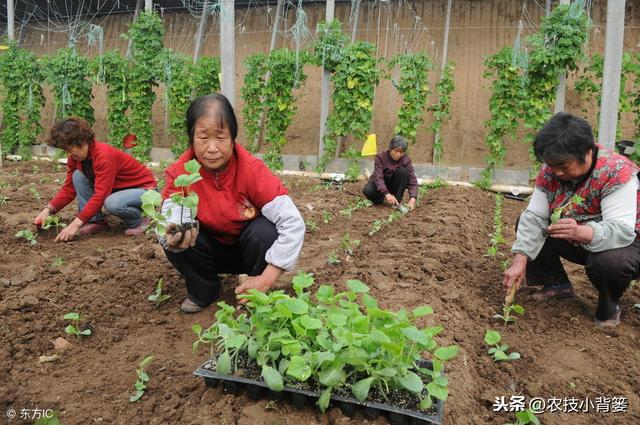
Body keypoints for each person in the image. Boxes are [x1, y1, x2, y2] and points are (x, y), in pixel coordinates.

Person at [158, 93, 305, 313]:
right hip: (208, 251)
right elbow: (169, 217)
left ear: (233, 137)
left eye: (221, 137)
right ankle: (204, 290)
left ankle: (255, 288)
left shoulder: (251, 170)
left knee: (265, 231)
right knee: (179, 228)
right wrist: (171, 234)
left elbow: (293, 223)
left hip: (249, 251)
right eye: (203, 138)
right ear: (191, 138)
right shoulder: (182, 173)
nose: (212, 147)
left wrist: (268, 277)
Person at [503, 112, 640, 327]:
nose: (556, 172)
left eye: (564, 167)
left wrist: (581, 232)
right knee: (527, 221)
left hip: (626, 243)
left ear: (586, 152)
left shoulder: (616, 172)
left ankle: (609, 304)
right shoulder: (552, 170)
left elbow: (621, 230)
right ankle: (556, 284)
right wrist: (519, 262)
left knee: (609, 263)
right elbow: (534, 216)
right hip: (579, 235)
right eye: (552, 165)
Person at [33, 117, 157, 241]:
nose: (69, 153)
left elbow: (101, 195)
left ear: (81, 141)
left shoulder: (104, 156)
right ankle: (96, 221)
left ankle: (140, 220)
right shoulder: (75, 158)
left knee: (112, 203)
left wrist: (76, 224)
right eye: (66, 150)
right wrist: (48, 210)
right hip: (118, 191)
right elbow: (68, 189)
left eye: (70, 148)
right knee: (78, 175)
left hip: (145, 191)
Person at [363, 135, 418, 211]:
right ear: (390, 149)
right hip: (379, 185)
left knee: (402, 172)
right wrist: (386, 194)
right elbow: (378, 178)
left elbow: (412, 180)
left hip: (393, 184)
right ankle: (380, 199)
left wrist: (413, 199)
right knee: (368, 191)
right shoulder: (381, 157)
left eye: (401, 152)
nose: (398, 154)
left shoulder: (406, 160)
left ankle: (397, 201)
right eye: (396, 151)